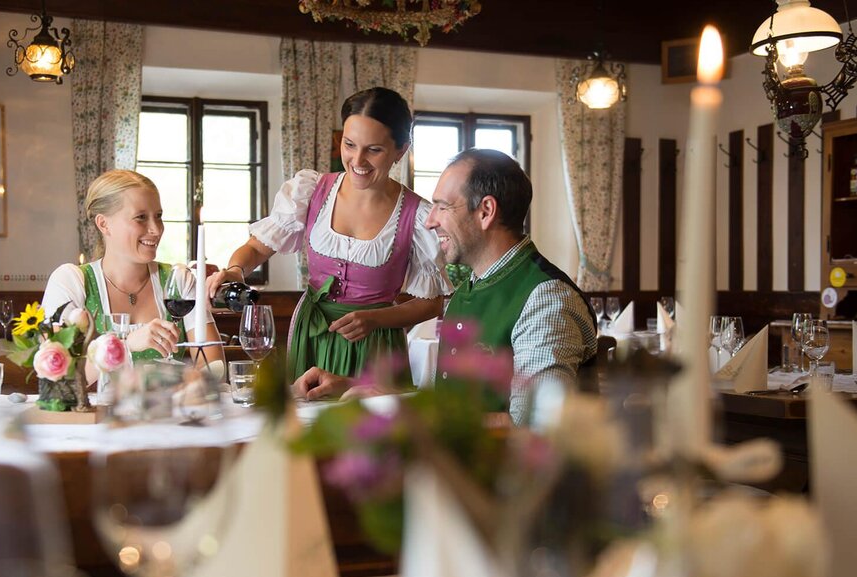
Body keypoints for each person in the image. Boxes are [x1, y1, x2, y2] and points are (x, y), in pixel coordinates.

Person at [295, 148, 599, 425]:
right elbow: (444, 402)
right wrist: (355, 387)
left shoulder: (545, 299)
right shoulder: (467, 290)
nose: (429, 222)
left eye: (442, 207)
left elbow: (533, 426)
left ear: (485, 212)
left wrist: (408, 417)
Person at [206, 87, 450, 382]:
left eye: (374, 149)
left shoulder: (419, 215)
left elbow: (432, 302)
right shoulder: (311, 191)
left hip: (375, 348)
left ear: (401, 149)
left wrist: (376, 319)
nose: (357, 160)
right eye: (349, 144)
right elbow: (258, 248)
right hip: (312, 335)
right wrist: (235, 270)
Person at [42, 169, 223, 379]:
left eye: (159, 216)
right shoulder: (71, 281)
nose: (156, 229)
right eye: (141, 218)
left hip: (163, 410)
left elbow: (213, 368)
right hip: (95, 412)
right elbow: (60, 382)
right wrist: (126, 345)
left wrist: (191, 386)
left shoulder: (178, 280)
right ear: (103, 224)